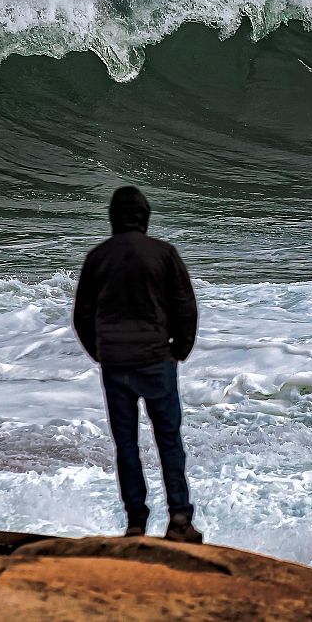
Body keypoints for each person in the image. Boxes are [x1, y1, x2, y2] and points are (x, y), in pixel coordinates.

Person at [73, 185, 202, 542]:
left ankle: (135, 523)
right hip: (156, 360)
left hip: (116, 364)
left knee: (126, 444)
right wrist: (180, 349)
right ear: (145, 217)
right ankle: (179, 519)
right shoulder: (164, 253)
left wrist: (100, 352)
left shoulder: (98, 257)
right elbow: (185, 307)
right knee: (169, 440)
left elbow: (82, 315)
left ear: (113, 218)